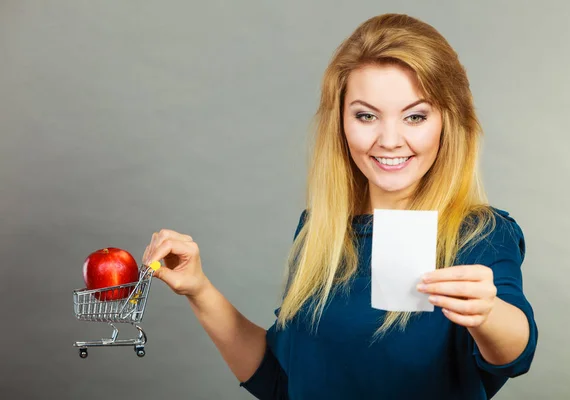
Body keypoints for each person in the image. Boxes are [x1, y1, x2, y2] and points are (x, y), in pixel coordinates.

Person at [143, 13, 538, 399]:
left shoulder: (481, 235)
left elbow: (514, 353)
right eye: (366, 115)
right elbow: (280, 381)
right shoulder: (321, 229)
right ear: (342, 123)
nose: (389, 139)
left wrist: (488, 314)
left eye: (415, 116)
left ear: (447, 123)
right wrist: (199, 289)